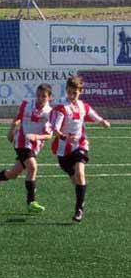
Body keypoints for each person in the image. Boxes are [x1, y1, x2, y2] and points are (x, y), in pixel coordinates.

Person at [0, 83, 53, 212]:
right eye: (38, 95)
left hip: (34, 146)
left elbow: (49, 135)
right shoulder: (27, 106)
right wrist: (11, 130)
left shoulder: (50, 113)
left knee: (12, 174)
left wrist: (36, 137)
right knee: (32, 167)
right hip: (21, 141)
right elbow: (18, 119)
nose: (40, 99)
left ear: (49, 98)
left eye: (44, 96)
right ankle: (31, 202)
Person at [50, 76, 111, 222]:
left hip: (80, 145)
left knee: (80, 173)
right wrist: (65, 138)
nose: (71, 96)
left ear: (80, 92)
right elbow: (55, 130)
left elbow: (94, 115)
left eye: (75, 93)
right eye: (69, 92)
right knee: (76, 181)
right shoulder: (61, 108)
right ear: (66, 91)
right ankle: (81, 198)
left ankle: (78, 210)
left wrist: (102, 122)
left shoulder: (84, 106)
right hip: (63, 151)